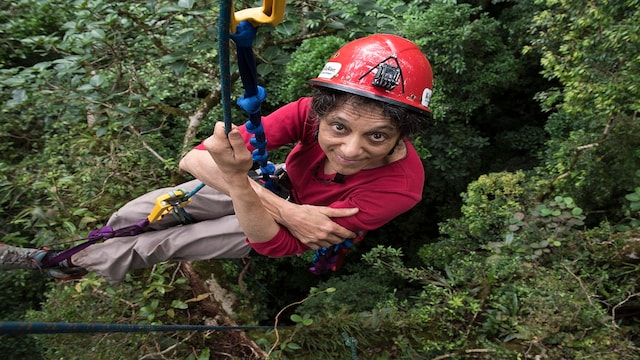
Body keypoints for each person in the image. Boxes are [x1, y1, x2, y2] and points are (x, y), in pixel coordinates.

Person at [0, 34, 433, 284]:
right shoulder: (307, 111)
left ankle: (60, 264)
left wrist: (270, 205)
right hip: (277, 190)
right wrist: (289, 209)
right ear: (320, 112)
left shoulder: (400, 189)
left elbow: (276, 243)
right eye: (339, 128)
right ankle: (98, 242)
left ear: (403, 134)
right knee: (142, 211)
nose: (353, 150)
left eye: (377, 136)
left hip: (266, 220)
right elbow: (195, 159)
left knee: (165, 243)